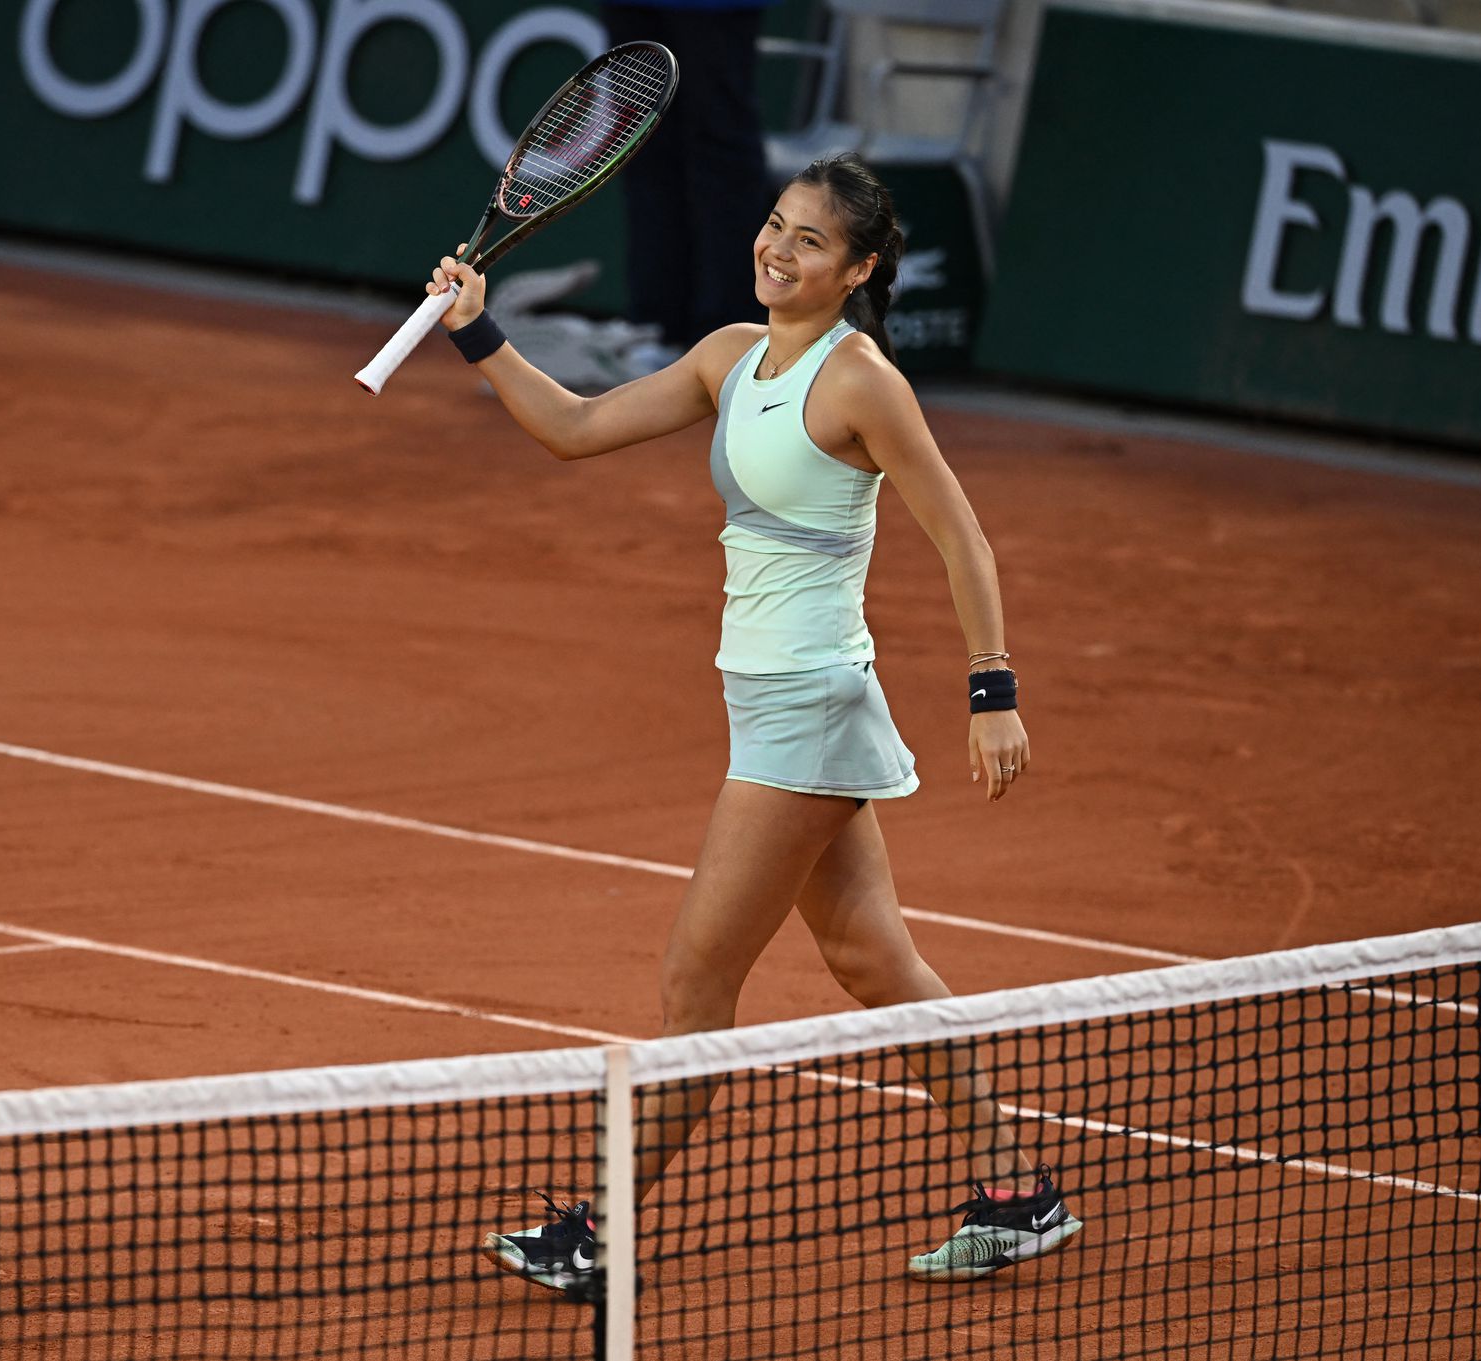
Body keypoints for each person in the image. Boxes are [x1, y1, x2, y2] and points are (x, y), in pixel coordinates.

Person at [424, 153, 1082, 1289]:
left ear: (860, 268)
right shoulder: (730, 357)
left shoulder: (863, 382)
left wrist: (993, 689)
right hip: (772, 702)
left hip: (807, 708)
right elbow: (574, 427)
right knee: (873, 958)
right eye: (775, 226)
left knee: (694, 984)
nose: (778, 249)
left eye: (810, 241)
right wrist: (479, 335)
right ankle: (1018, 1190)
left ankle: (600, 1231)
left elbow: (962, 536)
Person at [600, 0, 775, 373]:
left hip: (715, 8)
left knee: (722, 155)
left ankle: (730, 336)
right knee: (642, 145)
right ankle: (655, 329)